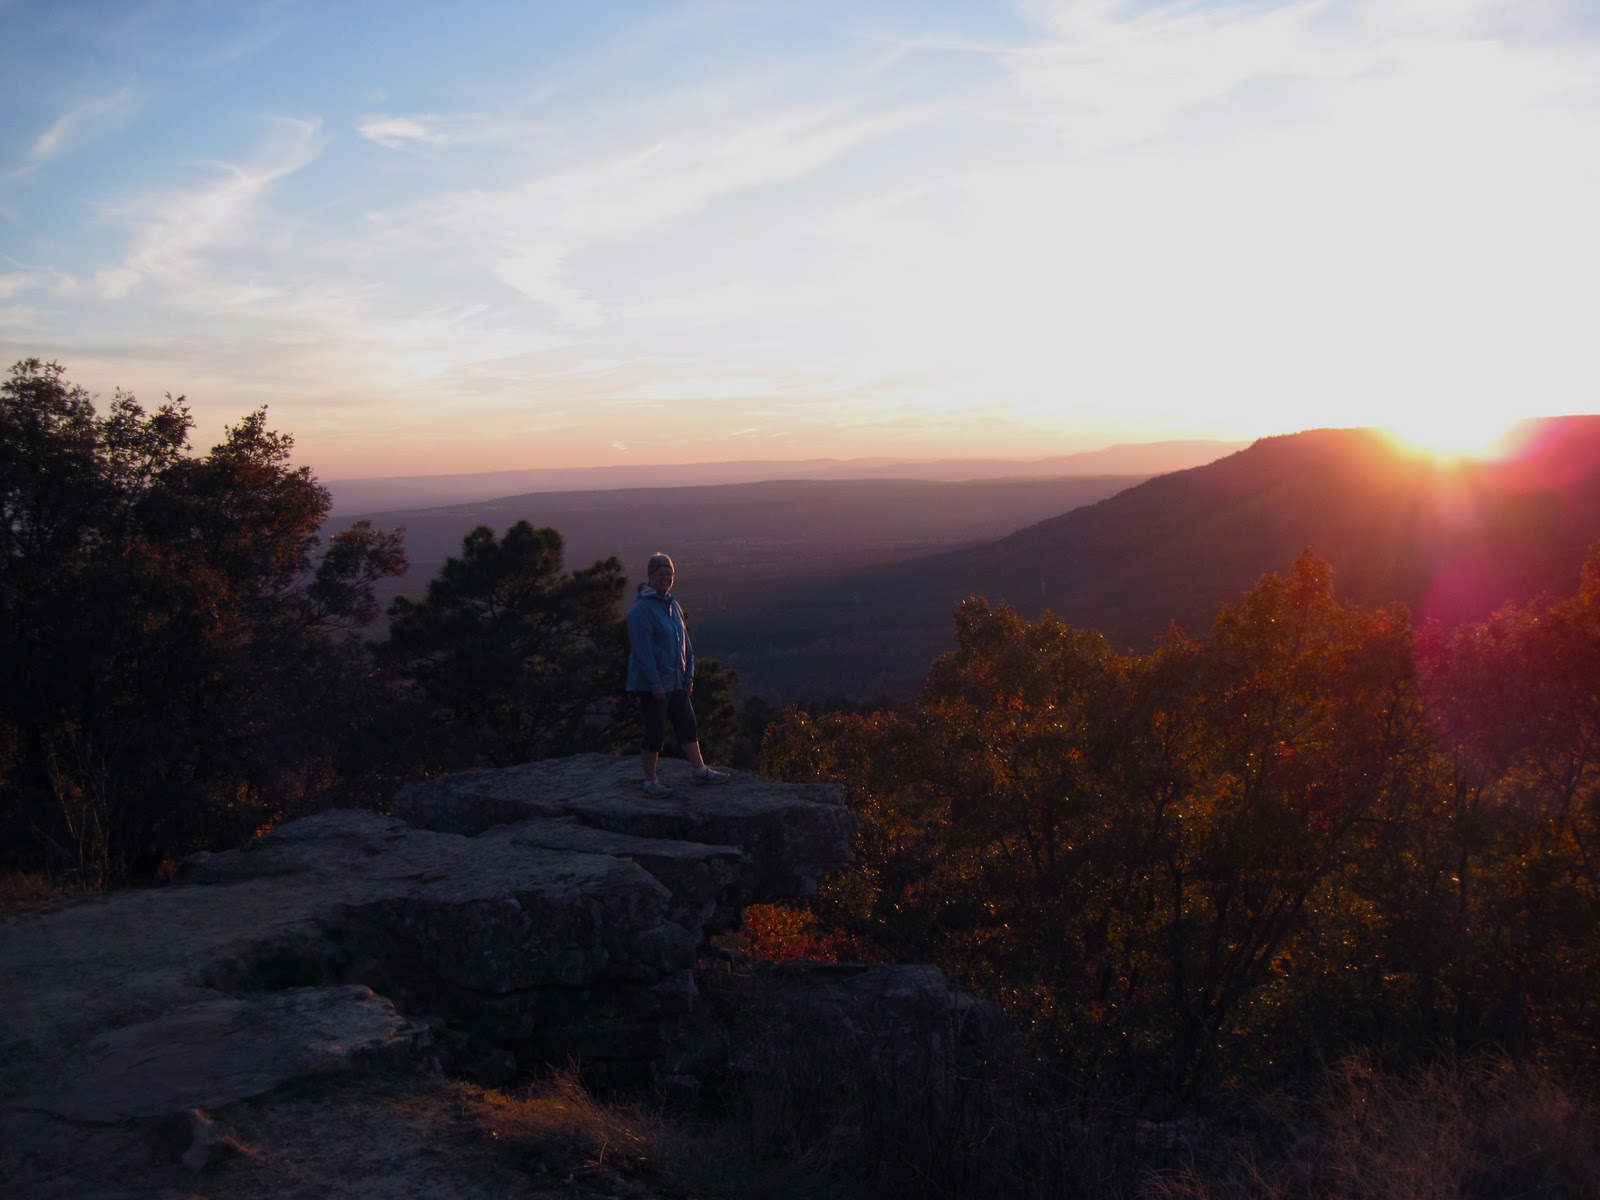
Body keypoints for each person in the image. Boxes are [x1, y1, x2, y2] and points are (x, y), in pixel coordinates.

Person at [626, 552, 731, 797]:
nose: (666, 578)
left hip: (676, 682)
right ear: (650, 576)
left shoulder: (673, 606)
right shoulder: (641, 610)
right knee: (655, 732)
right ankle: (650, 781)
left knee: (687, 725)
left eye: (669, 574)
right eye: (661, 574)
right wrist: (655, 684)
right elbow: (643, 653)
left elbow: (686, 644)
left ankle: (700, 770)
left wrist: (688, 677)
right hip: (655, 685)